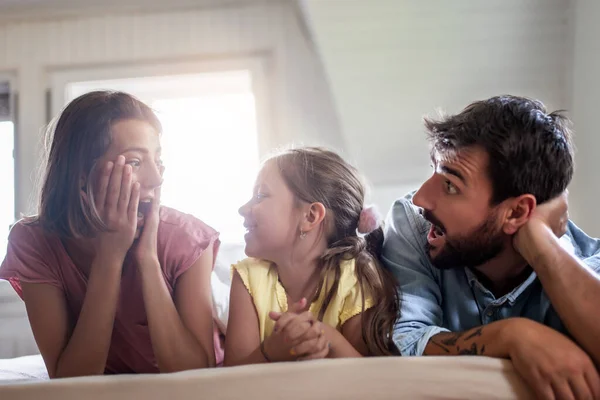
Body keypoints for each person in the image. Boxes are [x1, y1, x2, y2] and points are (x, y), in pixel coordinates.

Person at [382, 95, 600, 399]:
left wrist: (541, 245)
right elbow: (398, 342)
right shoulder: (414, 225)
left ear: (515, 212)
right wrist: (513, 335)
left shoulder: (590, 263)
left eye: (450, 186)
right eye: (434, 170)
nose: (420, 199)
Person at [0, 91, 221, 377]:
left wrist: (149, 260)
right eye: (135, 162)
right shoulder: (34, 243)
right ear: (80, 174)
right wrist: (110, 257)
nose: (157, 178)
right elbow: (70, 382)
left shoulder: (187, 238)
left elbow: (196, 377)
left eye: (158, 160)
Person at [224, 147, 398, 366]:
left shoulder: (354, 278)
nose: (242, 209)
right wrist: (270, 351)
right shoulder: (248, 277)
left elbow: (370, 380)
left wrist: (327, 338)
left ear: (310, 216)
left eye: (260, 195)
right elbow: (231, 379)